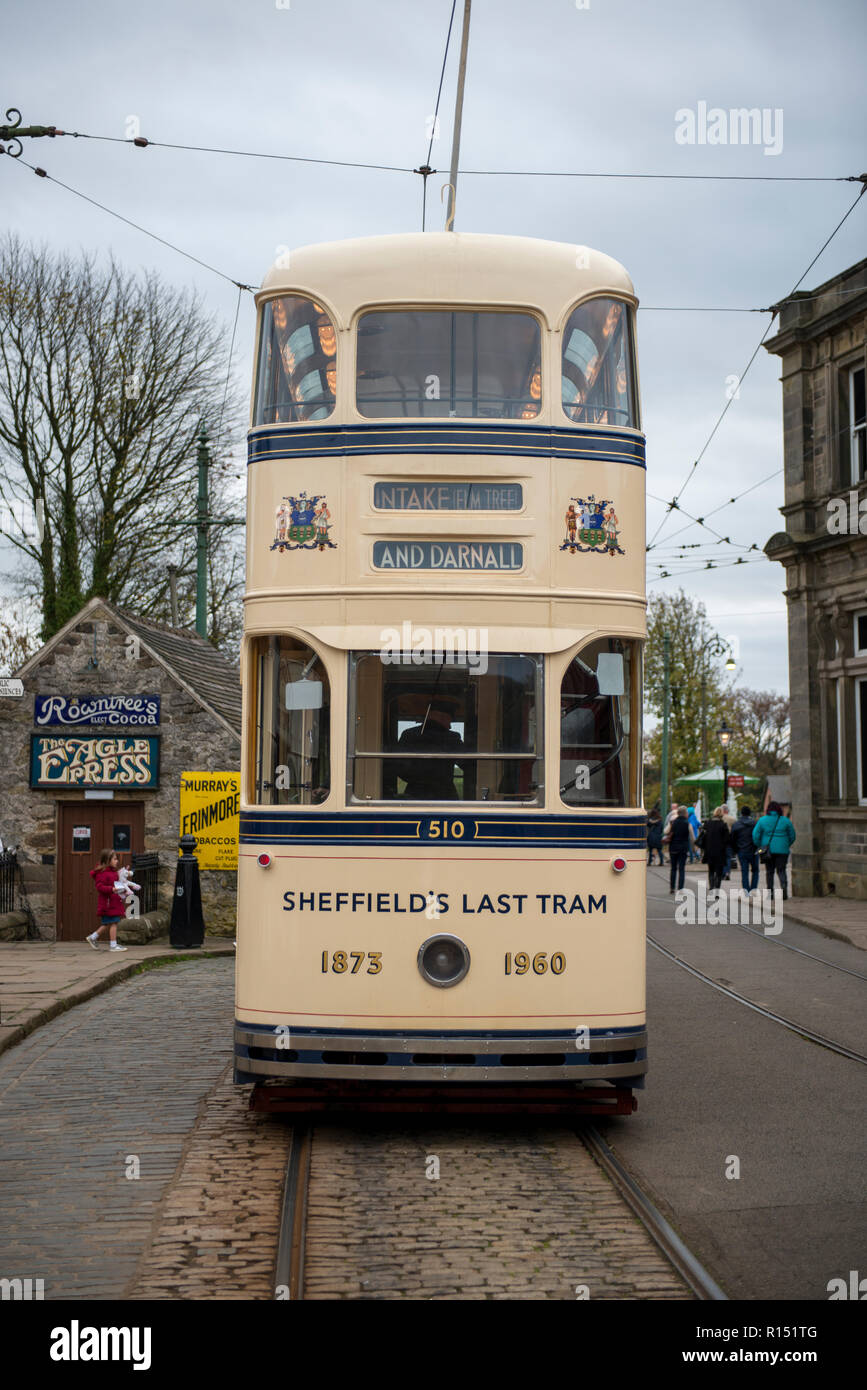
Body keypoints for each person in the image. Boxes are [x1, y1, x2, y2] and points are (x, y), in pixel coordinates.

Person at [395, 698, 464, 800]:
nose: (449, 726)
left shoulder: (409, 734)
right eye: (449, 720)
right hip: (444, 794)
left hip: (414, 793)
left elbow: (398, 767)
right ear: (442, 717)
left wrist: (417, 780)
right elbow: (467, 763)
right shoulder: (452, 738)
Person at [86, 849, 129, 951]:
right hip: (108, 903)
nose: (117, 861)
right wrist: (112, 889)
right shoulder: (102, 873)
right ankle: (113, 945)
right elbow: (99, 887)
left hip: (112, 901)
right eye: (114, 859)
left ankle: (93, 937)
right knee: (114, 922)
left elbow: (116, 883)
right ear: (108, 860)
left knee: (107, 923)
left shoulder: (112, 872)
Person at [752, 801, 796, 899]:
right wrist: (786, 844)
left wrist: (761, 845)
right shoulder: (785, 820)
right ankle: (784, 890)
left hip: (768, 850)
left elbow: (755, 835)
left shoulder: (762, 820)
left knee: (769, 872)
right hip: (783, 851)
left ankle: (770, 893)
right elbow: (792, 835)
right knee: (781, 870)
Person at [730, 803, 759, 893]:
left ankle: (746, 891)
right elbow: (758, 836)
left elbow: (733, 839)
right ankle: (753, 889)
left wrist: (735, 851)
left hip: (742, 851)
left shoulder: (736, 825)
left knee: (744, 871)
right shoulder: (755, 824)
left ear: (741, 813)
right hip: (754, 851)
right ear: (749, 814)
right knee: (755, 870)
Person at [702, 806, 730, 893]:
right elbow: (727, 840)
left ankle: (711, 888)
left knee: (711, 870)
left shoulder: (707, 824)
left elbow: (704, 838)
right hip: (720, 852)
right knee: (719, 872)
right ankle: (717, 890)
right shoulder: (723, 825)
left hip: (709, 851)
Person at [668, 806, 694, 893]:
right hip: (683, 848)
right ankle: (680, 888)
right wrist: (693, 847)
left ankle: (672, 888)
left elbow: (666, 832)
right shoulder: (688, 823)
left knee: (673, 868)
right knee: (681, 868)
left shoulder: (673, 822)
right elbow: (692, 837)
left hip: (673, 848)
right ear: (685, 813)